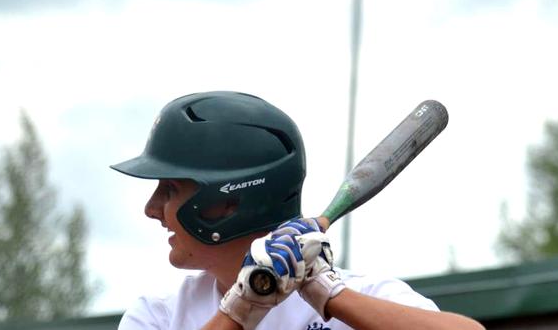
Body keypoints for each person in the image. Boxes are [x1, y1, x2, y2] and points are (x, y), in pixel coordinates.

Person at [111, 91, 484, 330]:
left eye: (171, 189)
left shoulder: (361, 298)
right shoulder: (159, 316)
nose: (152, 208)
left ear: (228, 201)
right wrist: (242, 306)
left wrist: (326, 291)